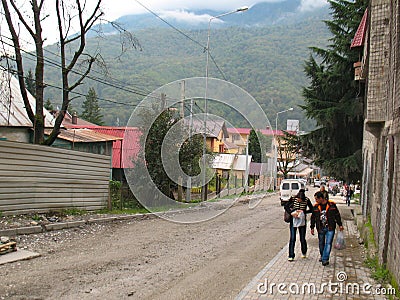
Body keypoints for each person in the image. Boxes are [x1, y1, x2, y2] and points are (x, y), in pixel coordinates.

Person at [310, 191, 344, 266]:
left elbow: (337, 215)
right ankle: (322, 256)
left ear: (321, 198)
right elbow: (313, 218)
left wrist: (340, 225)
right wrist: (312, 227)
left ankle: (325, 259)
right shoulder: (316, 207)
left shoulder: (332, 205)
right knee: (321, 243)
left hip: (330, 227)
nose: (316, 201)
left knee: (328, 243)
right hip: (320, 228)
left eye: (317, 199)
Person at [284, 189, 313, 261]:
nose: (299, 201)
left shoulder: (306, 200)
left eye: (301, 200)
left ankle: (304, 252)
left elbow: (311, 209)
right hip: (293, 220)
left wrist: (304, 212)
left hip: (302, 221)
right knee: (292, 238)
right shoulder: (293, 198)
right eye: (299, 199)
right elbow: (286, 206)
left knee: (302, 238)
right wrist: (292, 212)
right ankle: (291, 255)